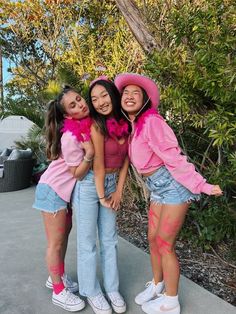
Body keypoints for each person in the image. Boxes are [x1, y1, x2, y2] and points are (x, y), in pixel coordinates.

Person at [114, 73, 222, 314]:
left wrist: (201, 185)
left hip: (173, 185)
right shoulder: (134, 126)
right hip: (157, 188)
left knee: (164, 243)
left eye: (136, 93)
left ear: (144, 101)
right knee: (152, 239)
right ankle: (157, 284)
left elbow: (174, 157)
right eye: (125, 93)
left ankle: (171, 301)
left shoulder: (152, 122)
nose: (129, 96)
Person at [33, 86, 94, 312]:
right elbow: (76, 173)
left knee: (64, 238)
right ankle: (58, 292)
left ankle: (56, 277)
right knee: (55, 243)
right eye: (73, 105)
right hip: (52, 192)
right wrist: (89, 154)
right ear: (67, 115)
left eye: (79, 99)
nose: (80, 105)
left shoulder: (81, 127)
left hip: (61, 193)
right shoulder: (70, 137)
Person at [72, 76, 129, 314]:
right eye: (94, 99)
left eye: (104, 95)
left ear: (112, 95)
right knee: (87, 243)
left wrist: (118, 190)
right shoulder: (96, 125)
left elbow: (126, 159)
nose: (100, 102)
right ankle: (92, 291)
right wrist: (103, 195)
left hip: (111, 182)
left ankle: (112, 288)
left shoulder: (127, 123)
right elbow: (97, 165)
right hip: (89, 186)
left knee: (109, 239)